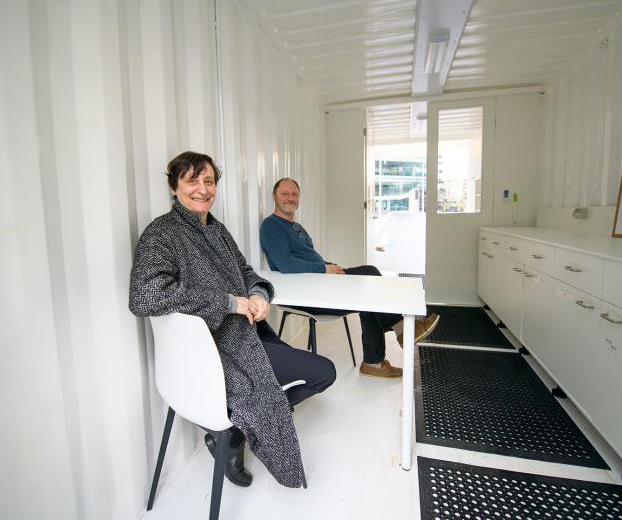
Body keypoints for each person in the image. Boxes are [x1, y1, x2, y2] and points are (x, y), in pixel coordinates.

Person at [129, 152, 335, 489]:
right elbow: (143, 296)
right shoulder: (162, 233)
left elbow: (245, 271)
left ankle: (237, 426)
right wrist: (227, 303)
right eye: (192, 180)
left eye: (208, 181)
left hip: (247, 333)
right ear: (174, 186)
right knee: (323, 371)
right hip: (217, 350)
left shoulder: (217, 229)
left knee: (321, 375)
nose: (202, 189)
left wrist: (258, 296)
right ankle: (235, 431)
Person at [260, 178, 440, 379]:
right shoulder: (271, 226)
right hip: (307, 293)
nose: (291, 198)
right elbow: (286, 264)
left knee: (369, 286)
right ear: (274, 196)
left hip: (320, 282)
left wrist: (331, 269)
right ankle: (398, 336)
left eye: (295, 194)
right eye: (285, 193)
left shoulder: (296, 227)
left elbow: (307, 258)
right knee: (369, 278)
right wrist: (324, 269)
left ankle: (376, 361)